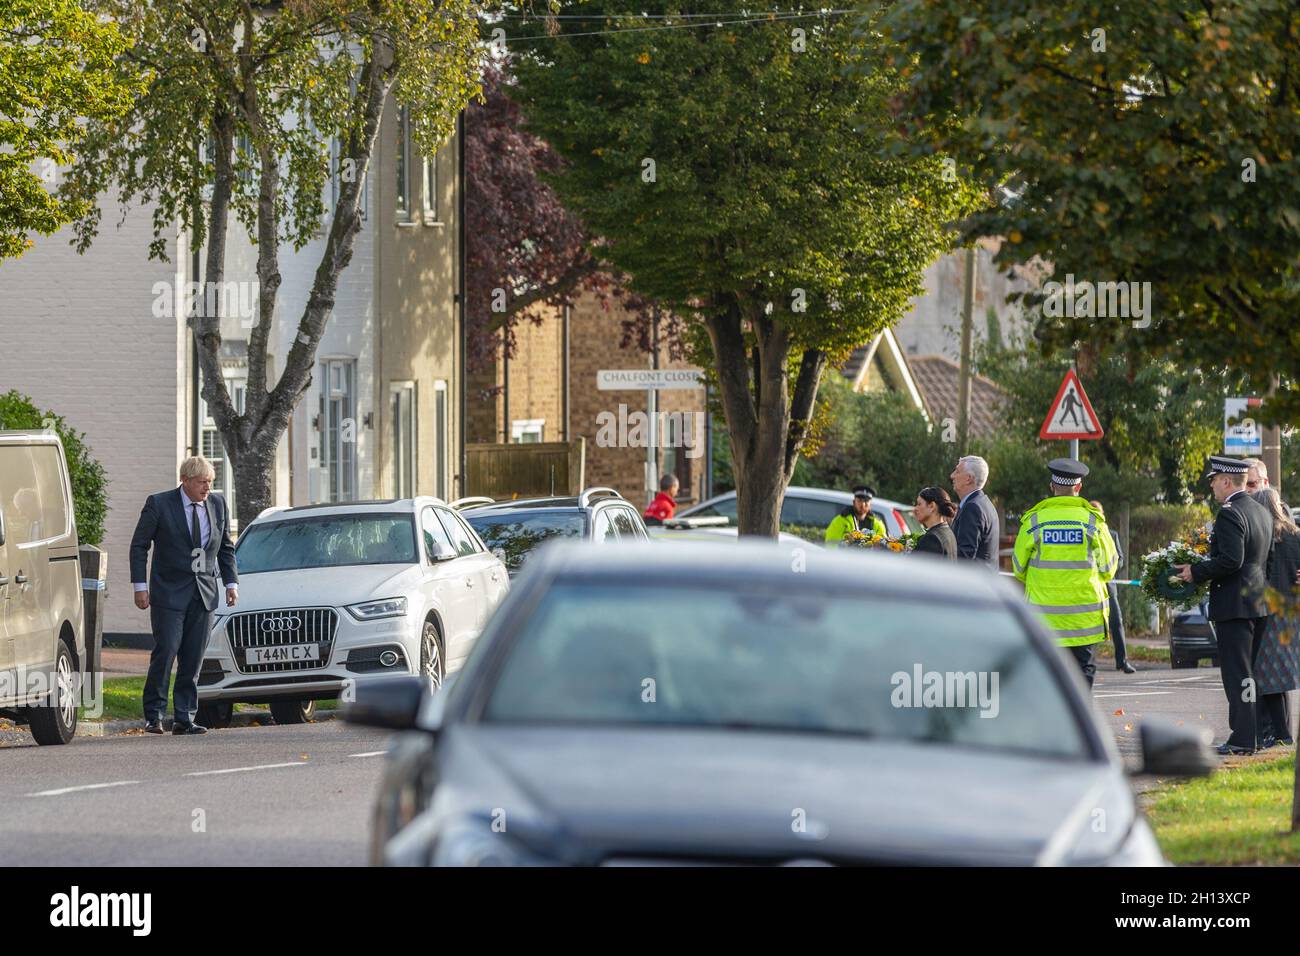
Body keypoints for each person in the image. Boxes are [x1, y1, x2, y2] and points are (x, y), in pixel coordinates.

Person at [130, 456, 238, 735]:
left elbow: (225, 546)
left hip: (204, 593)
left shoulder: (217, 505)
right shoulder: (160, 503)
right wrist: (140, 587)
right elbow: (139, 546)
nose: (207, 488)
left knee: (193, 658)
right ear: (186, 481)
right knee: (166, 652)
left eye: (210, 483)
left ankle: (184, 717)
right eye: (202, 482)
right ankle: (153, 716)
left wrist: (231, 583)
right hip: (168, 592)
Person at [1174, 455, 1272, 755]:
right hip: (1257, 602)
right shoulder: (1260, 510)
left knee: (1237, 674)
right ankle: (1250, 735)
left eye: (1214, 480)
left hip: (1235, 605)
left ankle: (1243, 739)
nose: (1213, 485)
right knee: (1249, 673)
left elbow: (1232, 559)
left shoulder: (1229, 513)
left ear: (1227, 481)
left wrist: (1195, 571)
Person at [1012, 459, 1118, 688]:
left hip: (1044, 620)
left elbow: (1018, 568)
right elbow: (1109, 568)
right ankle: (1079, 721)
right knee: (1083, 676)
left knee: (1049, 680)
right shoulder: (1093, 521)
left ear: (1052, 486)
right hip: (1083, 620)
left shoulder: (1034, 521)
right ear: (1078, 488)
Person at [1250, 487, 1300, 747]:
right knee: (1279, 676)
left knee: (1266, 676)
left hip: (1268, 612)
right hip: (1292, 612)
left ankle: (1281, 733)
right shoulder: (1296, 534)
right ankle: (1282, 733)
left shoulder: (1263, 535)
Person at [1089, 499, 1136, 674]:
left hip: (1109, 588)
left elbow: (1120, 559)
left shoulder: (1112, 534)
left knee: (1117, 623)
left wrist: (1109, 566)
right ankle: (1089, 661)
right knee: (1090, 626)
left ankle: (1122, 661)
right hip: (1091, 588)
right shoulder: (1086, 533)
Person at [949, 455, 1000, 569]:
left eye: (957, 471)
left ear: (969, 478)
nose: (952, 476)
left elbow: (964, 557)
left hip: (974, 584)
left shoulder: (972, 508)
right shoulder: (983, 503)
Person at [912, 486, 957, 559]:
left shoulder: (932, 539)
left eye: (919, 504)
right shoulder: (948, 531)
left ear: (932, 506)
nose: (916, 508)